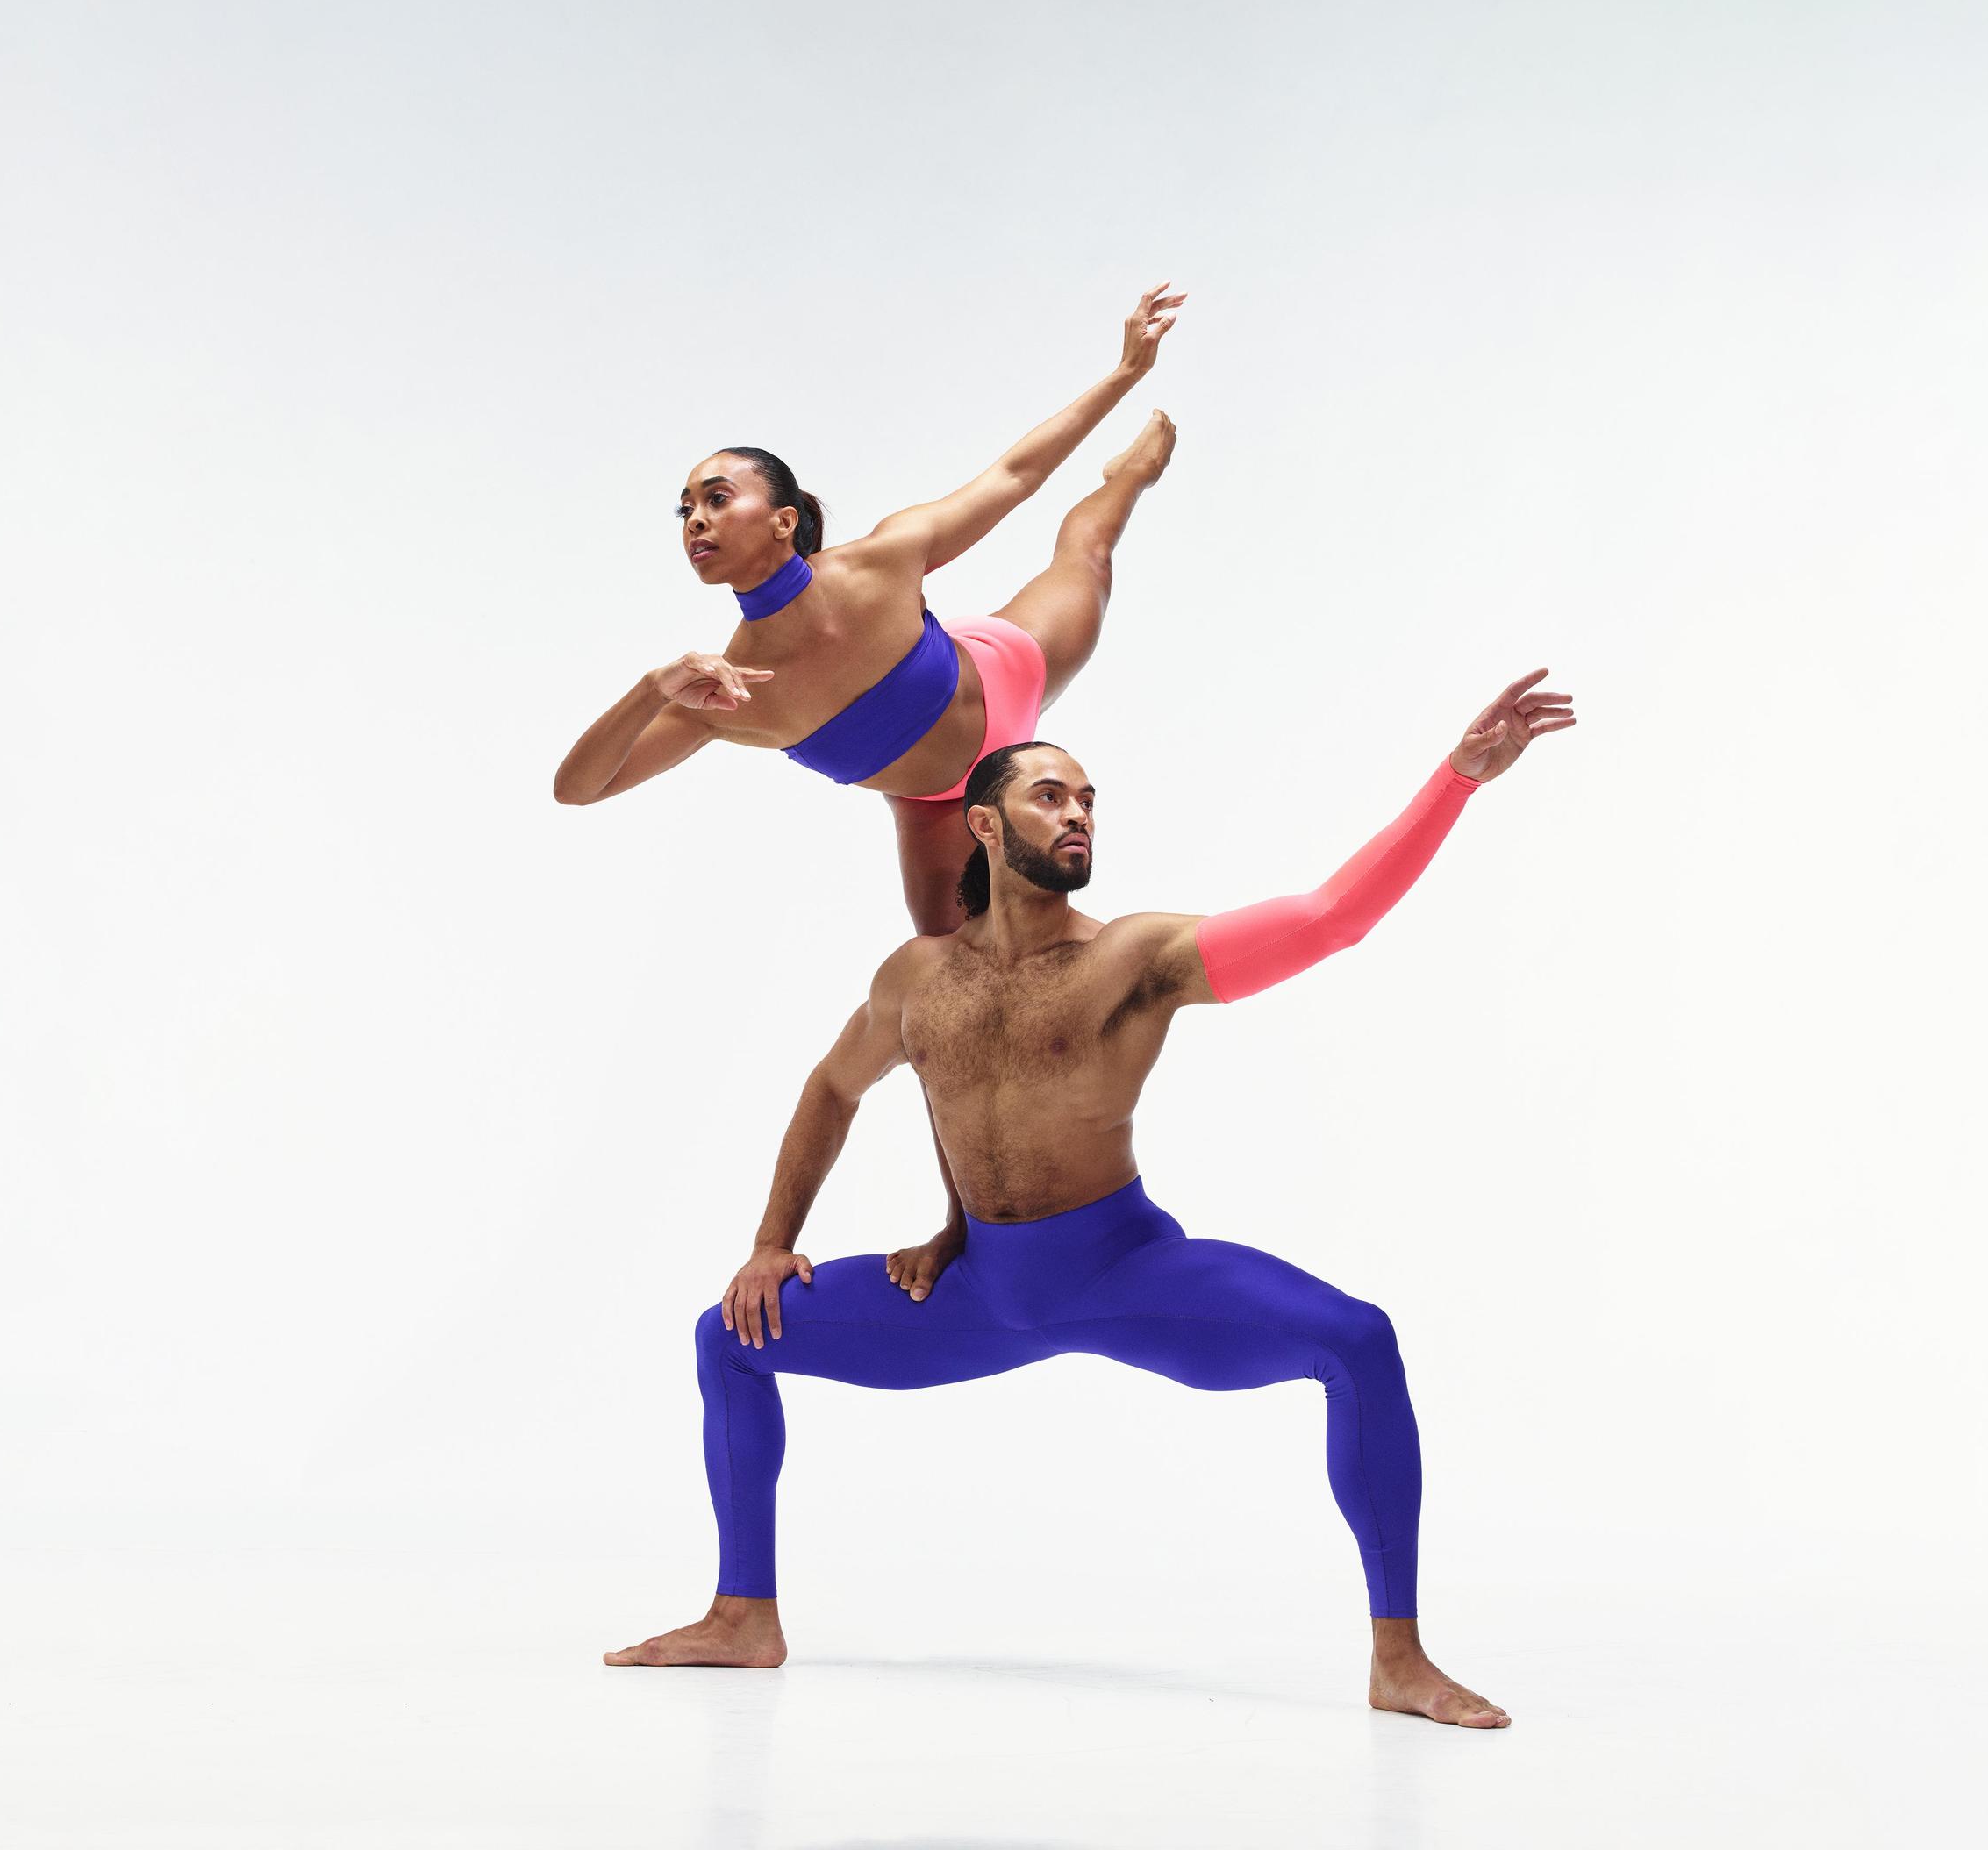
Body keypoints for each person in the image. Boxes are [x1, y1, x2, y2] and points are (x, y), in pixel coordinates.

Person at [603, 669, 1579, 1728]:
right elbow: (836, 1088)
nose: (1078, 814)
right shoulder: (917, 978)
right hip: (979, 1293)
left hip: (1126, 1276)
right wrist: (774, 1243)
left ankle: (1400, 1659)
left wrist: (1458, 780)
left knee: (1357, 1339)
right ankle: (744, 1615)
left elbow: (1331, 918)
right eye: (1052, 796)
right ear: (982, 824)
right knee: (731, 1334)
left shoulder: (1134, 958)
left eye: (1088, 800)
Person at [554, 284, 1185, 935]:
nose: (696, 521)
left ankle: (1128, 477)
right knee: (949, 969)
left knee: (1088, 556)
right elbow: (578, 789)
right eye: (685, 509)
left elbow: (1014, 477)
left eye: (717, 498)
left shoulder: (882, 561)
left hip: (1005, 674)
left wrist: (1126, 372)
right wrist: (648, 691)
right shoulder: (727, 696)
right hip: (934, 805)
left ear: (783, 520)